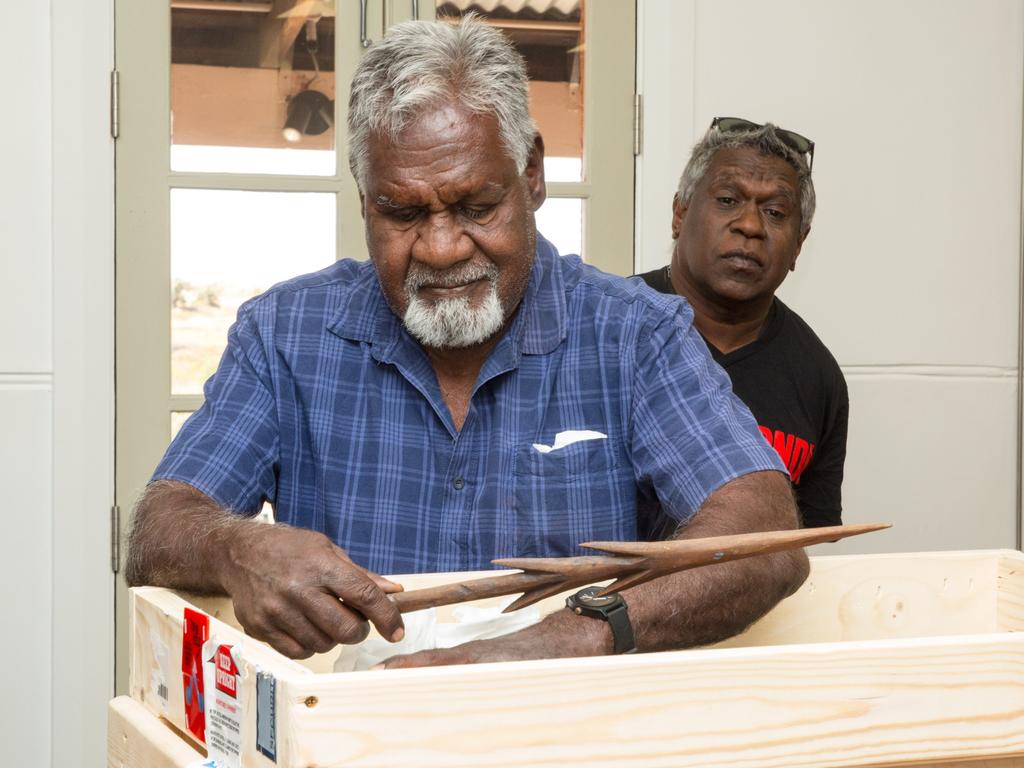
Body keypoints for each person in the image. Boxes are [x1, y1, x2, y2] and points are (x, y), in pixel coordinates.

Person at [126, 18, 808, 668]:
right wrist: (235, 546)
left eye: (477, 207)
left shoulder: (637, 335)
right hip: (352, 736)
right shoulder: (285, 334)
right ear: (365, 198)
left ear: (532, 175)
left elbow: (763, 541)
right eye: (402, 212)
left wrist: (565, 640)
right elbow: (159, 530)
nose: (443, 248)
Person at [637, 118, 848, 529]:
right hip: (607, 592)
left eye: (774, 212)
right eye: (728, 200)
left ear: (799, 244)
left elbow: (813, 543)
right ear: (680, 213)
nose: (750, 226)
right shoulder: (607, 328)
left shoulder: (817, 377)